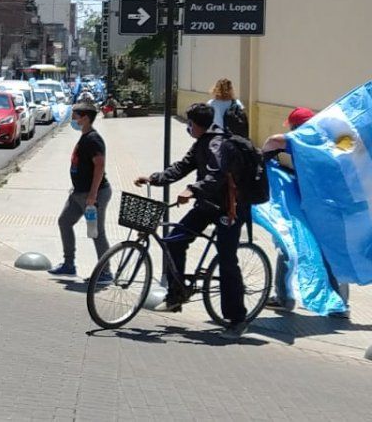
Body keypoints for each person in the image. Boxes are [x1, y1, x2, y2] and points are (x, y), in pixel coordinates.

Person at [135, 102, 250, 338]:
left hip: (230, 208)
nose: (188, 127)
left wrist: (192, 190)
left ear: (198, 125)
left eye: (189, 124)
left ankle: (237, 319)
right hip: (207, 205)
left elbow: (216, 175)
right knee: (173, 240)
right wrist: (153, 179)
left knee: (227, 260)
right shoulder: (201, 143)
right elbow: (181, 167)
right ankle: (177, 295)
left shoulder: (219, 144)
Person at [261, 107, 350, 317]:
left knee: (288, 245)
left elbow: (274, 141)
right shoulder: (327, 140)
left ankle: (284, 298)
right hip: (333, 204)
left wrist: (262, 156)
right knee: (331, 252)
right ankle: (340, 305)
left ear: (296, 127)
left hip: (311, 206)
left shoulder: (302, 139)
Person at [48, 101, 112, 282]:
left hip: (93, 194)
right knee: (64, 221)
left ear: (84, 118)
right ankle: (69, 264)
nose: (73, 119)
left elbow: (100, 165)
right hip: (78, 193)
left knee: (96, 232)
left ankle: (105, 272)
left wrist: (93, 194)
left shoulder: (93, 139)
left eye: (75, 115)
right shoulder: (85, 137)